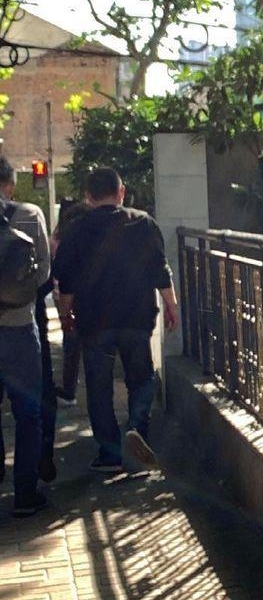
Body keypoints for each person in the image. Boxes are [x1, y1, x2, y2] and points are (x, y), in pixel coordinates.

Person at [53, 167, 178, 472]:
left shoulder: (76, 230)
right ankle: (136, 427)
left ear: (88, 197)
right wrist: (171, 304)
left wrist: (65, 315)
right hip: (137, 318)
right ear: (121, 193)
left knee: (98, 387)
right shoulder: (143, 223)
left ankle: (109, 454)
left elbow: (66, 281)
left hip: (94, 322)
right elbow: (160, 268)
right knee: (143, 379)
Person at [0, 157, 52, 516]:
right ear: (10, 183)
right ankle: (25, 492)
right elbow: (43, 272)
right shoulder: (30, 214)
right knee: (27, 413)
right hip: (19, 327)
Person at [52, 197, 88, 402]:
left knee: (71, 341)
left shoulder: (60, 237)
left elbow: (57, 270)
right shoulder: (90, 235)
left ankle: (69, 388)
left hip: (64, 295)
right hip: (90, 297)